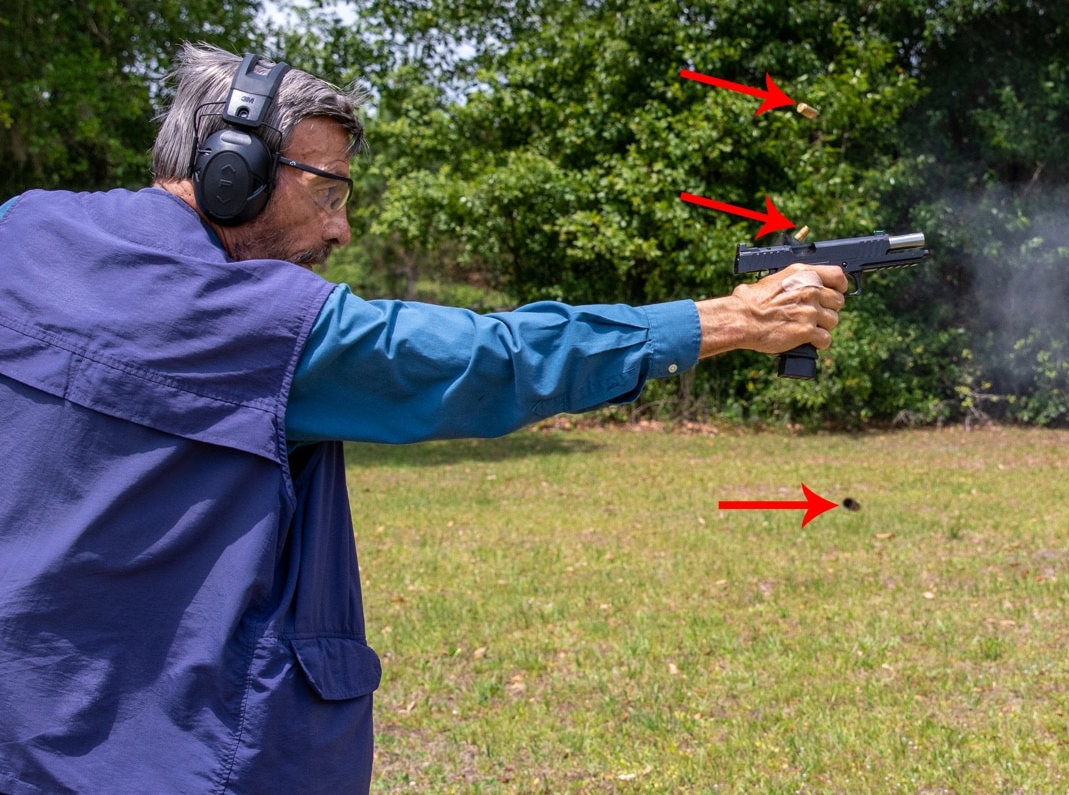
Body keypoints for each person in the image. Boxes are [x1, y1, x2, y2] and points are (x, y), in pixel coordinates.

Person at [0, 43, 846, 794]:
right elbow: (493, 360)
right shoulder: (256, 322)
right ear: (234, 170)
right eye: (327, 189)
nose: (341, 227)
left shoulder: (24, 230)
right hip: (180, 757)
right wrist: (728, 322)